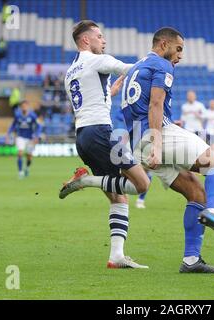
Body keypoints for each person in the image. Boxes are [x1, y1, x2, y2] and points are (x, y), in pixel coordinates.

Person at [122, 27, 214, 274]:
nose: (180, 56)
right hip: (157, 134)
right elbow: (155, 103)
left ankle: (191, 261)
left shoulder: (136, 66)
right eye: (179, 49)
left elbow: (139, 107)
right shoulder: (163, 65)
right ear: (164, 44)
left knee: (195, 191)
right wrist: (158, 143)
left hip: (138, 141)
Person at [59, 20, 151, 269]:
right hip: (102, 133)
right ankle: (84, 181)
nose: (104, 40)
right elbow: (130, 69)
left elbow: (87, 100)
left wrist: (108, 93)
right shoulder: (96, 60)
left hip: (83, 137)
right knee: (142, 184)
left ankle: (116, 256)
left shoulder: (70, 72)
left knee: (118, 197)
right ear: (86, 40)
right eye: (99, 36)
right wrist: (156, 63)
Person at [5, 100, 42, 179]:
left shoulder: (32, 115)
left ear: (28, 106)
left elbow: (39, 126)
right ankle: (20, 172)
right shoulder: (17, 115)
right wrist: (8, 134)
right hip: (20, 137)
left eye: (25, 106)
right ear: (21, 107)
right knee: (20, 153)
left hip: (30, 138)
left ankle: (27, 168)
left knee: (29, 156)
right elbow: (13, 125)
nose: (24, 107)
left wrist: (37, 136)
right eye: (22, 106)